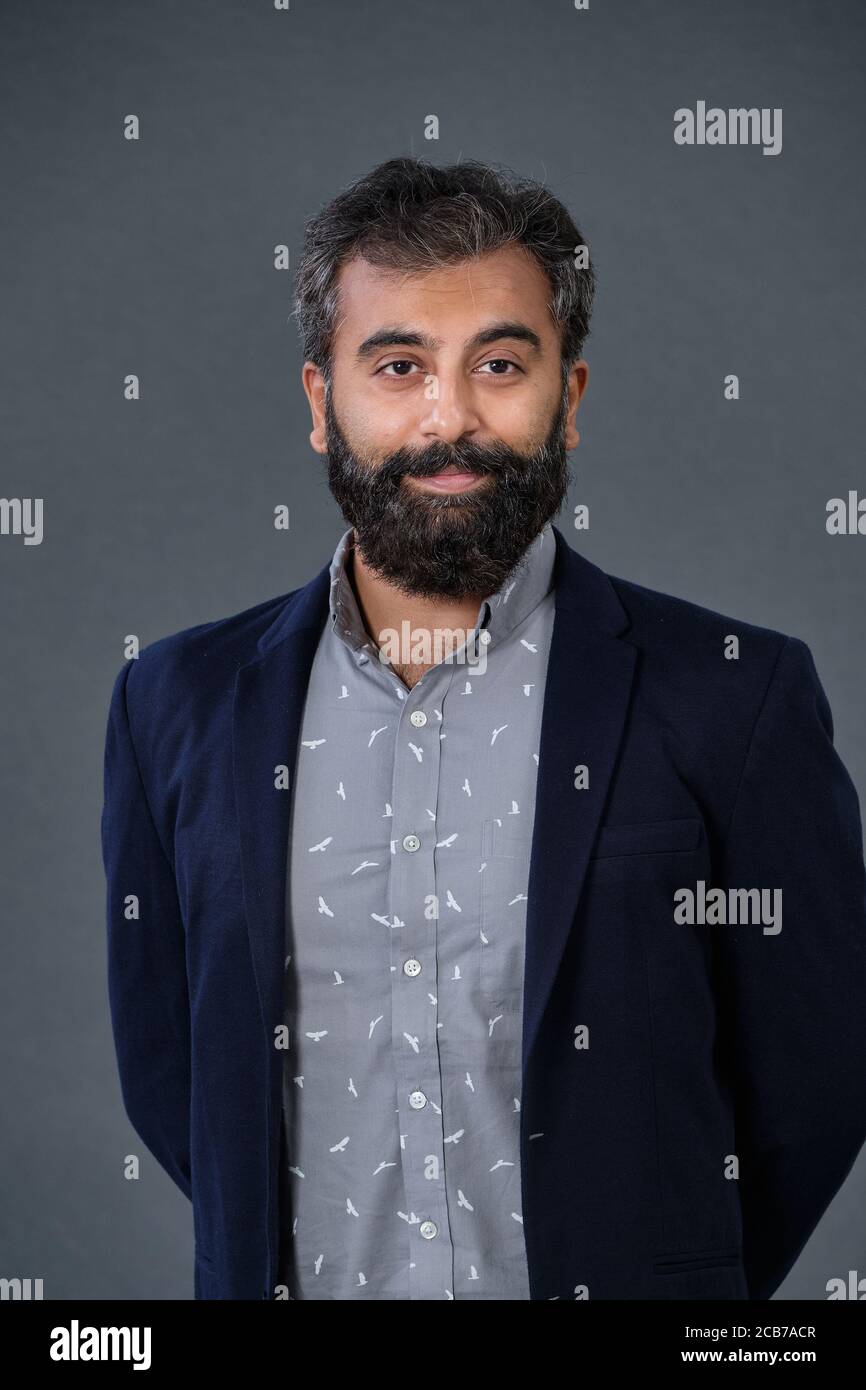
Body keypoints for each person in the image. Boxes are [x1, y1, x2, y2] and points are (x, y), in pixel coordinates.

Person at [102, 157, 866, 1300]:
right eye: (397, 364)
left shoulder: (732, 695)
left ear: (570, 395)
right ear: (322, 404)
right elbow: (174, 1082)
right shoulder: (175, 704)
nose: (447, 417)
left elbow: (815, 1080)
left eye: (499, 365)